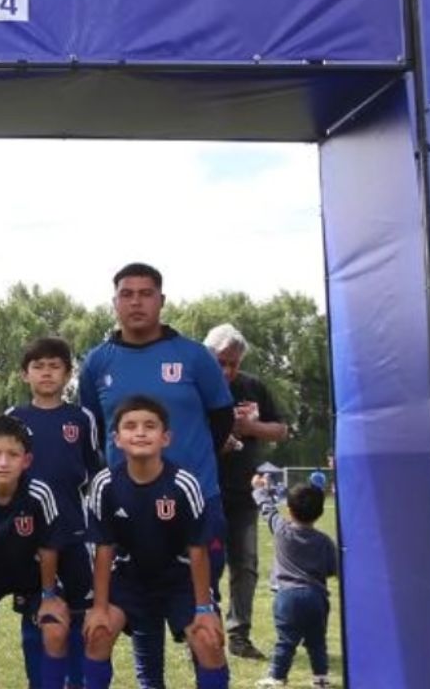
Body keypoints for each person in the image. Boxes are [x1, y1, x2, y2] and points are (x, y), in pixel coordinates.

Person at [78, 263, 234, 688]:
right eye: (126, 294)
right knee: (136, 620)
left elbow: (221, 420)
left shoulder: (194, 356)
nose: (136, 302)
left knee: (204, 622)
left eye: (145, 293)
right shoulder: (97, 362)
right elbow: (94, 428)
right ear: (114, 303)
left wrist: (189, 468)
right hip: (127, 507)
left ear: (161, 301)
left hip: (196, 503)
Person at [83, 396, 230, 689]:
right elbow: (104, 550)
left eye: (150, 426)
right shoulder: (104, 484)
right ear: (117, 439)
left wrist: (204, 610)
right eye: (130, 426)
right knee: (97, 633)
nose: (140, 432)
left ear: (165, 438)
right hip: (129, 579)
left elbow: (198, 550)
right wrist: (99, 607)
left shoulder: (184, 484)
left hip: (180, 579)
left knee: (208, 641)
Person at [0, 414, 76, 689]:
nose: (3, 462)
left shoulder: (39, 493)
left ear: (26, 460)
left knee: (55, 627)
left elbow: (49, 547)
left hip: (34, 573)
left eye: (13, 454)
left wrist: (48, 596)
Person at [8, 336, 100, 689]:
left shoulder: (81, 418)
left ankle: (75, 681)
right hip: (26, 535)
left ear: (67, 374)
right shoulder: (14, 419)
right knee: (35, 612)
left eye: (54, 366)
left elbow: (94, 473)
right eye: (38, 367)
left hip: (73, 533)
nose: (46, 373)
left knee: (78, 613)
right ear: (24, 375)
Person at [203, 323, 290, 660]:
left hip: (243, 494)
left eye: (233, 362)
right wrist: (214, 443)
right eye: (220, 361)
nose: (226, 369)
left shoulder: (253, 387)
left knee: (246, 564)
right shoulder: (192, 387)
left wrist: (251, 427)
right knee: (204, 564)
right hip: (203, 491)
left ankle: (239, 635)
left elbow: (281, 430)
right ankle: (204, 630)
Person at [252, 475, 337, 689]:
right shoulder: (324, 541)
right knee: (317, 642)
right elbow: (331, 569)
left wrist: (259, 489)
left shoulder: (281, 530)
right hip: (317, 598)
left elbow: (268, 509)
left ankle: (277, 677)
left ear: (289, 510)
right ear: (319, 513)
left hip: (287, 597)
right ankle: (320, 678)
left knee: (285, 642)